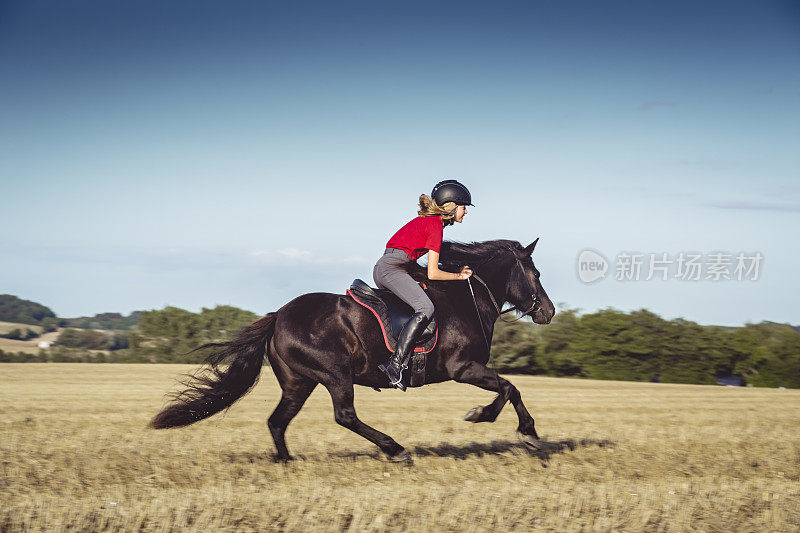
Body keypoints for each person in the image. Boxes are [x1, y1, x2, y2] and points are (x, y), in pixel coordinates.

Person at [374, 179, 474, 390]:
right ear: (452, 206)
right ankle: (395, 365)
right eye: (464, 207)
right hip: (393, 268)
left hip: (388, 267)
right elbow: (433, 272)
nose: (466, 212)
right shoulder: (435, 226)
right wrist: (459, 277)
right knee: (426, 307)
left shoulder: (428, 223)